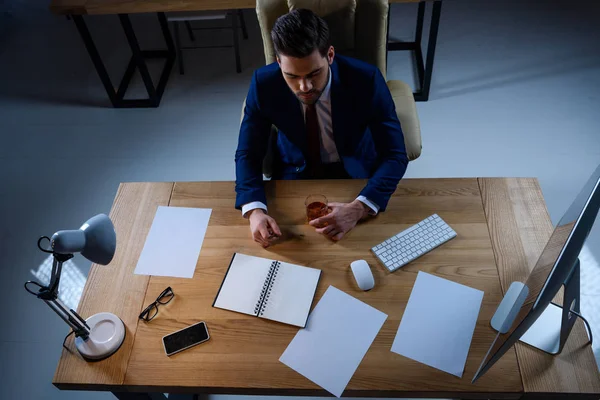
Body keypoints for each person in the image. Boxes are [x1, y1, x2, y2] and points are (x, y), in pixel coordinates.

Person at [235, 9, 408, 248]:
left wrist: (359, 208)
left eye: (314, 73)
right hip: (294, 172)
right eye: (291, 76)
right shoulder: (263, 84)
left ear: (330, 55)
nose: (304, 86)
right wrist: (254, 210)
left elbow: (395, 154)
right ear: (278, 63)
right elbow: (248, 153)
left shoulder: (365, 79)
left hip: (355, 172)